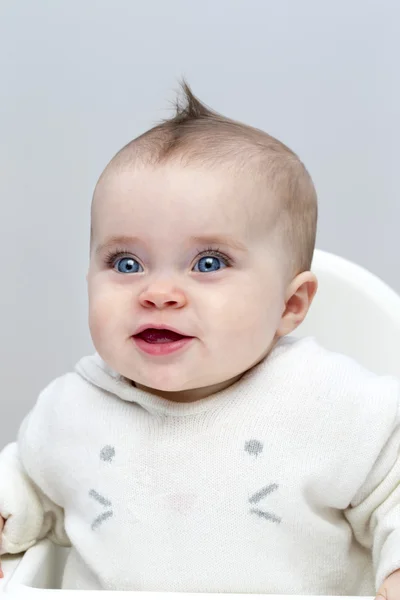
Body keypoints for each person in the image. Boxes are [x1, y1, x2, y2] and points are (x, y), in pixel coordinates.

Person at [1, 82, 400, 596]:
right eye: (126, 263)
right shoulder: (71, 411)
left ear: (290, 305)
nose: (159, 292)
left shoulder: (334, 404)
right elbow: (33, 489)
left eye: (208, 263)